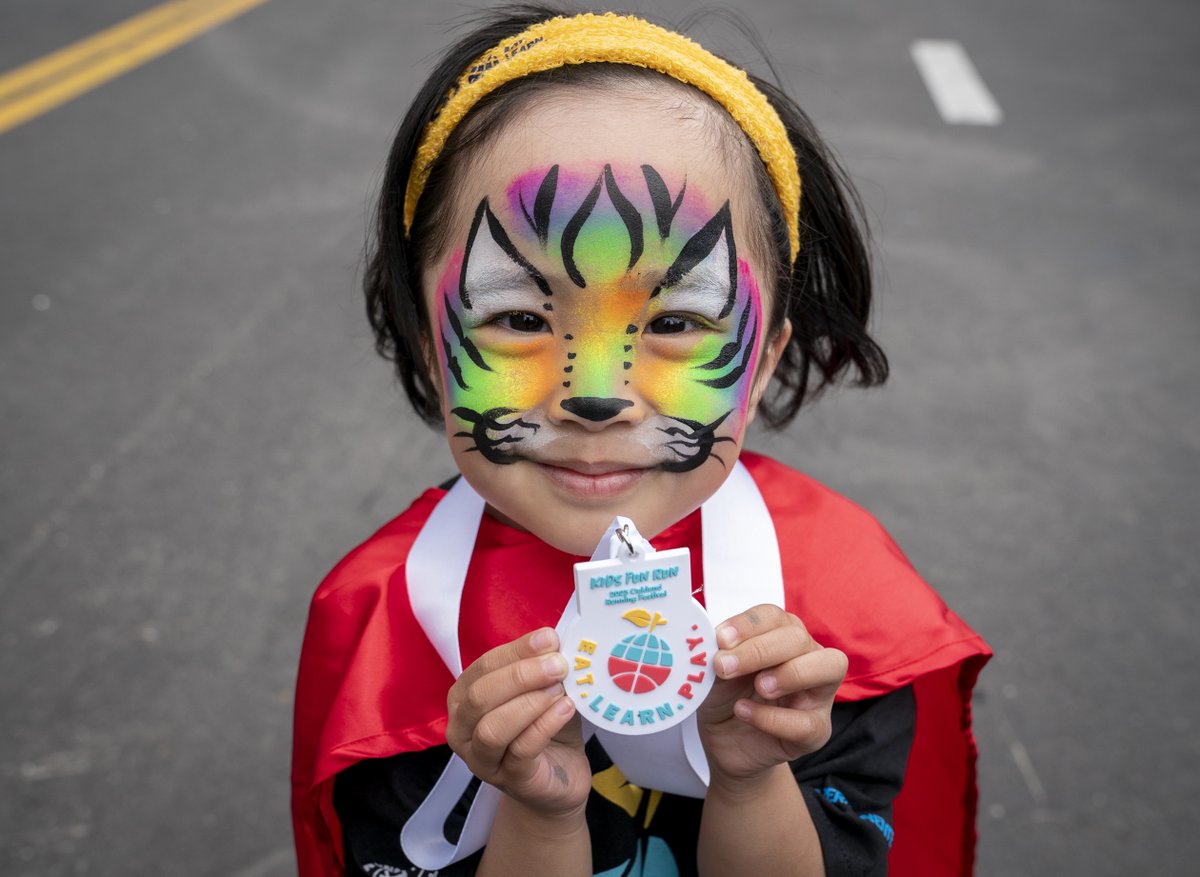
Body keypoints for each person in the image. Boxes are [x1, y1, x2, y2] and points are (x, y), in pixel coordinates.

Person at [291, 6, 990, 876]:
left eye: (675, 320)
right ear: (433, 342)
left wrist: (750, 781)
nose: (597, 393)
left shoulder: (841, 611)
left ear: (765, 351)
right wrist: (537, 814)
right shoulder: (384, 626)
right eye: (516, 316)